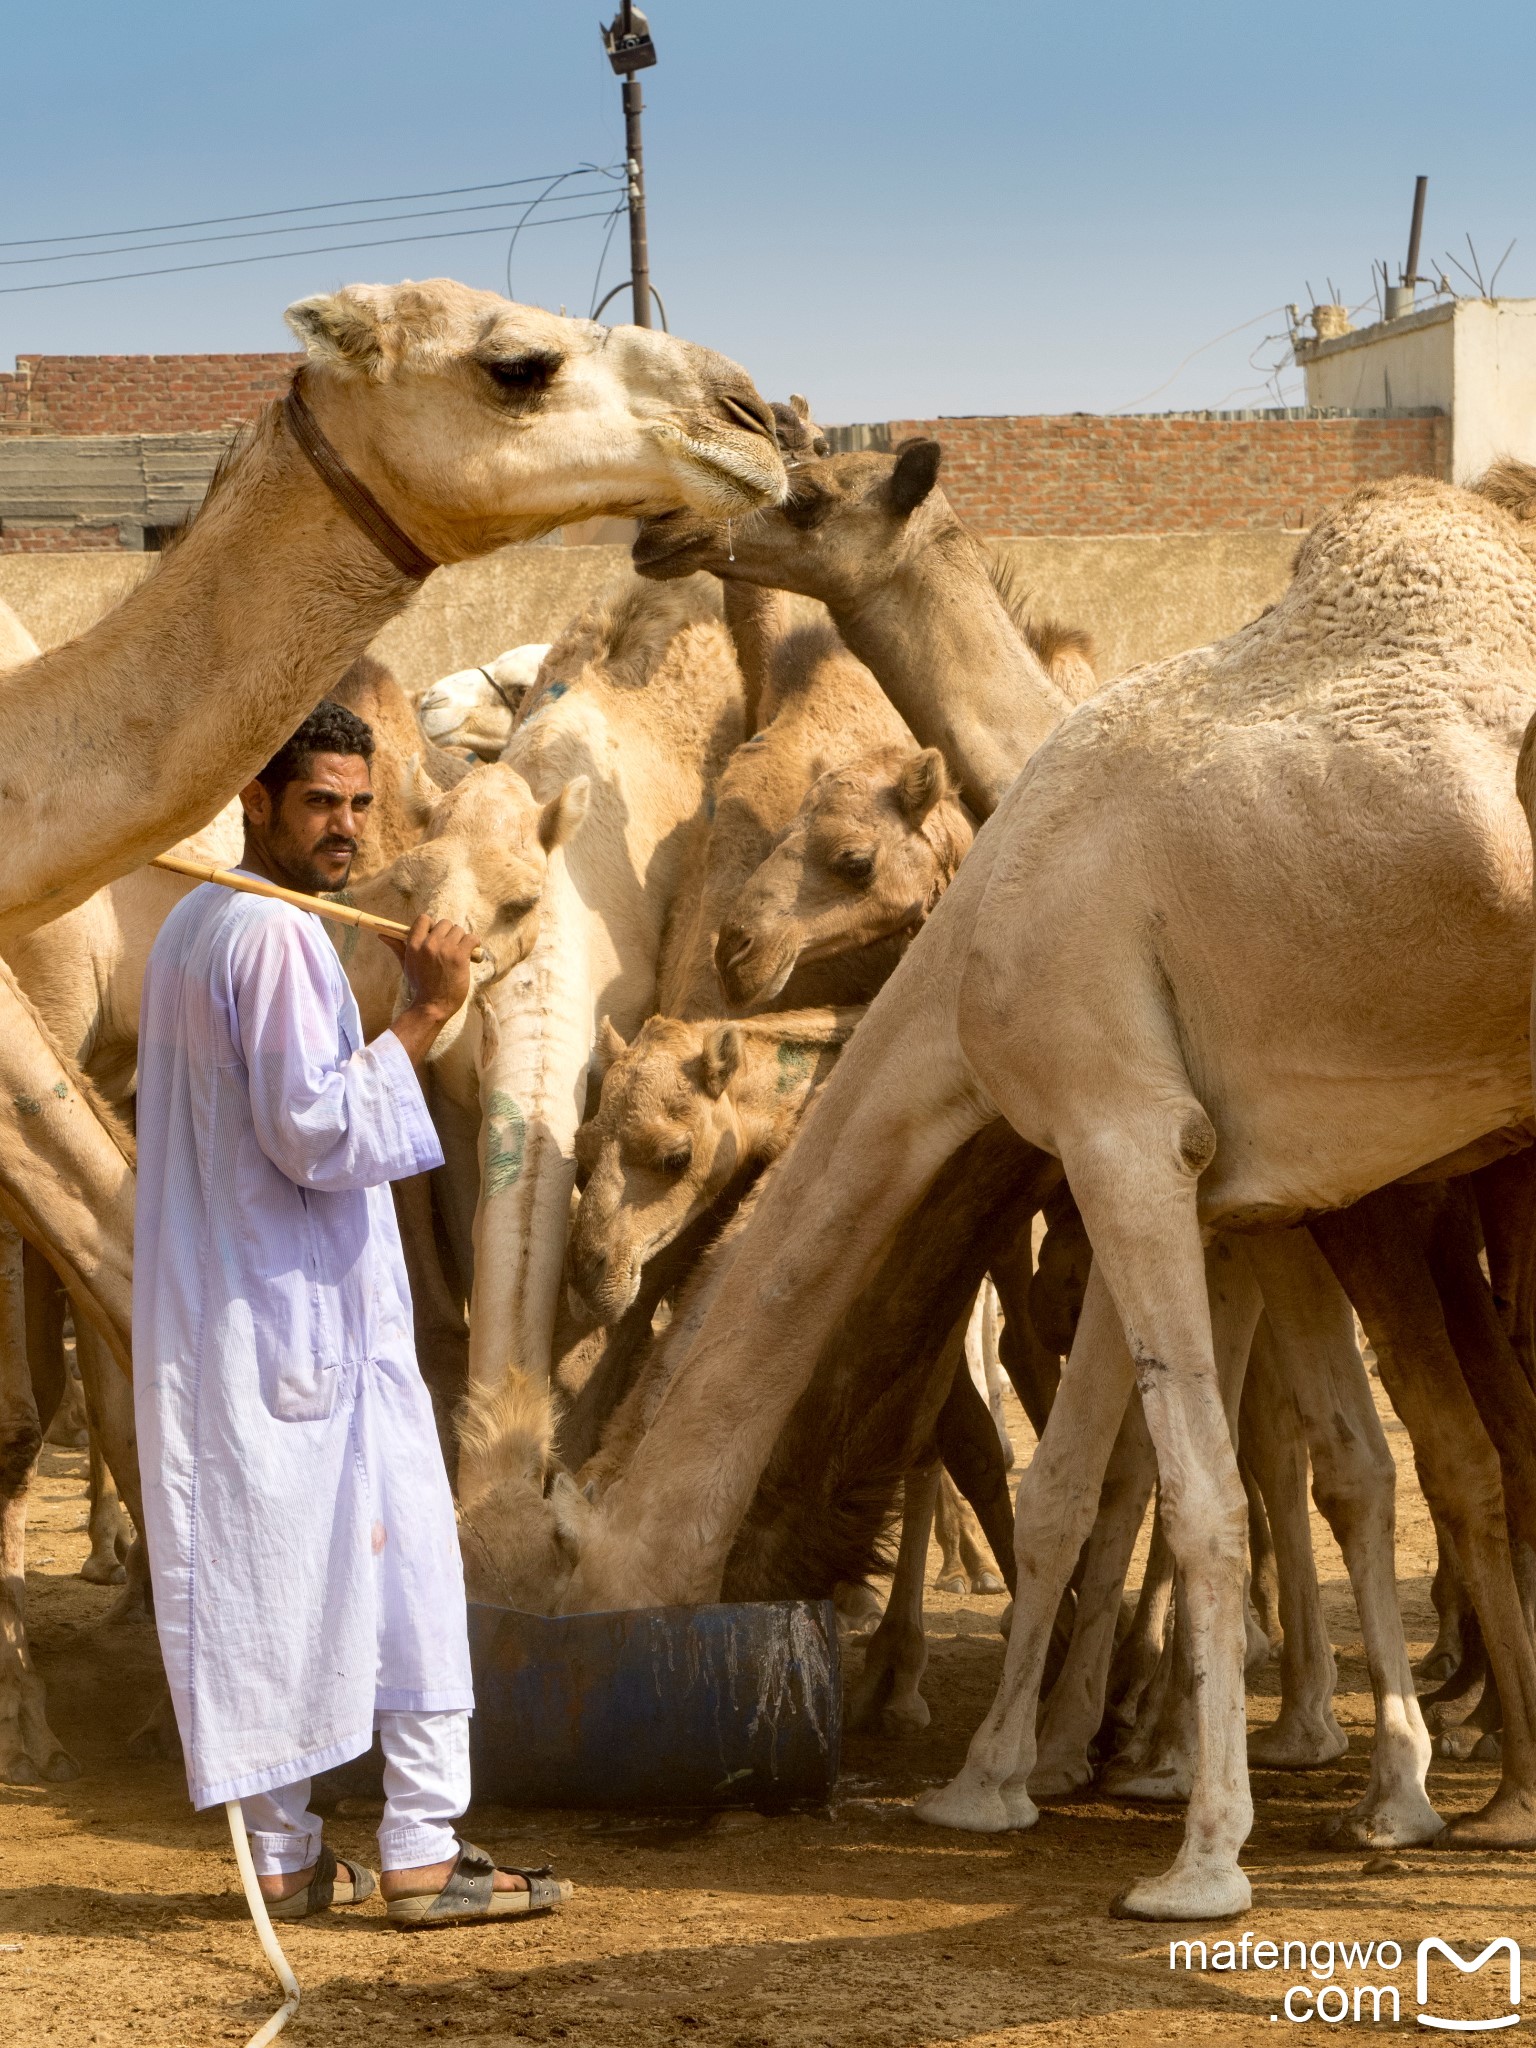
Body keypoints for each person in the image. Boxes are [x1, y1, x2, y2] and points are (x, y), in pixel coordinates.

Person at [134, 700, 570, 1927]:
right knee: (408, 1568)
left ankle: (284, 1857)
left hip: (245, 1316)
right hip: (301, 1325)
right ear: (256, 804)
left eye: (359, 803)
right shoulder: (268, 937)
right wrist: (425, 1014)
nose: (343, 827)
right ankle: (424, 1849)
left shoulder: (192, 925)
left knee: (270, 1578)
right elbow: (315, 1129)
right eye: (318, 802)